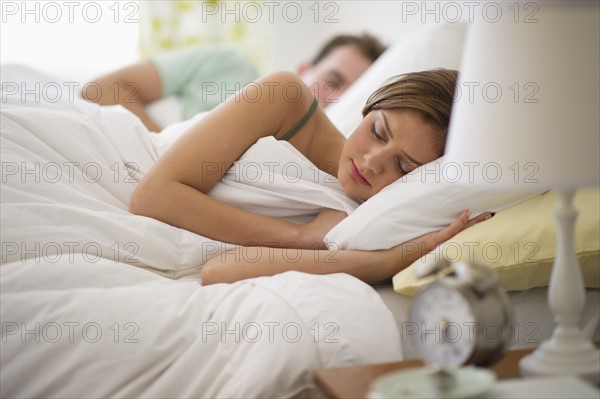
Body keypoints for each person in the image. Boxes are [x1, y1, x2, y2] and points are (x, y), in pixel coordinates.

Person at [129, 68, 492, 286]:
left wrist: (383, 263)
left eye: (405, 168)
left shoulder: (360, 225)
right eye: (378, 131)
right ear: (371, 106)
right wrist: (299, 236)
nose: (371, 162)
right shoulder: (285, 98)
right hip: (120, 159)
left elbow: (219, 271)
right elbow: (152, 197)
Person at [82, 33, 386, 133]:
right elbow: (102, 89)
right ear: (304, 69)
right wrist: (161, 148)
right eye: (332, 81)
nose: (339, 98)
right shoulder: (227, 65)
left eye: (355, 94)